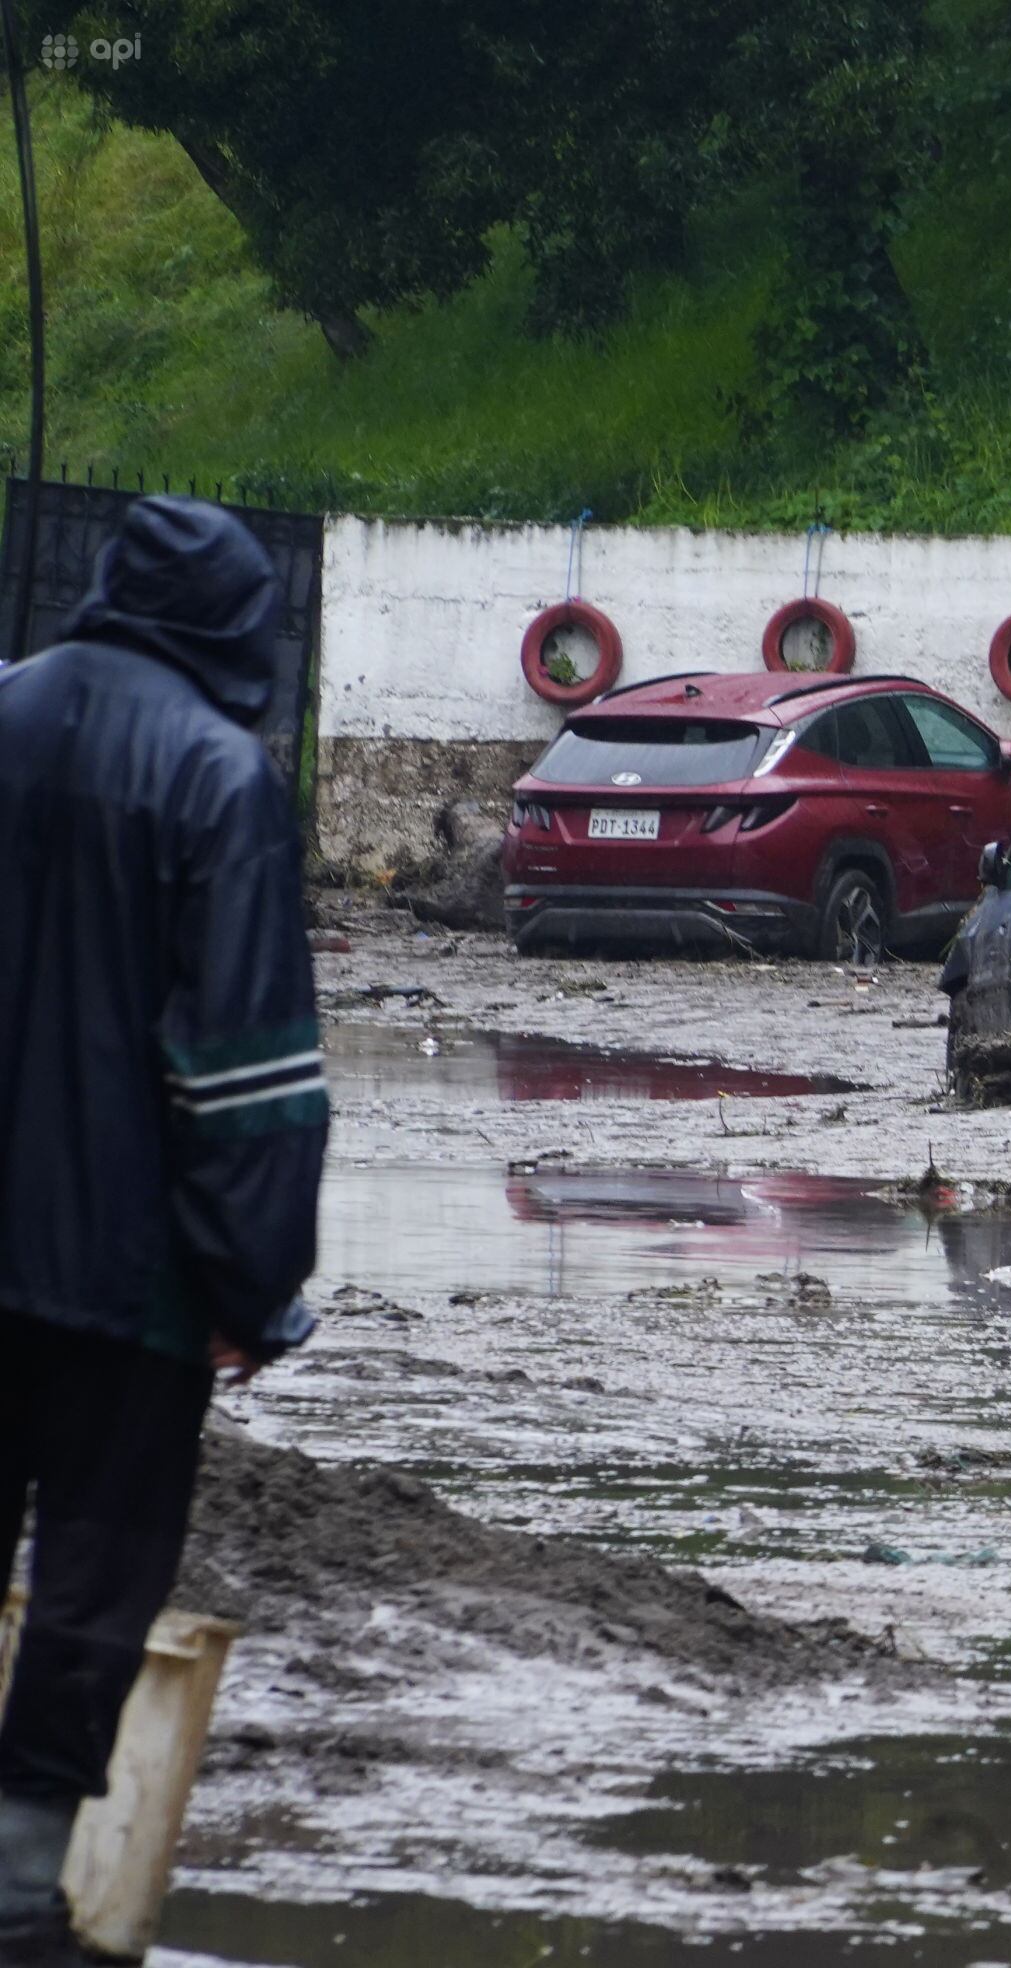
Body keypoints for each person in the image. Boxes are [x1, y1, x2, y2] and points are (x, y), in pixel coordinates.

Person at [0, 498, 324, 1966]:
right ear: (240, 633)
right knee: (94, 1573)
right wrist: (254, 1291)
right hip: (132, 1291)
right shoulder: (222, 782)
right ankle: (17, 1895)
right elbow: (248, 1076)